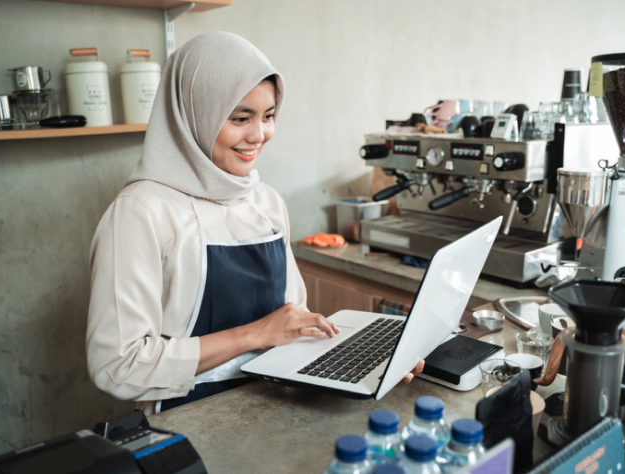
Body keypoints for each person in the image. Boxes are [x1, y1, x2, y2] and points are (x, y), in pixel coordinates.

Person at [86, 31, 423, 415]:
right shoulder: (141, 211)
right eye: (240, 118)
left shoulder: (266, 203)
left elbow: (291, 323)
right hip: (189, 419)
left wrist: (366, 362)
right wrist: (253, 335)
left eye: (269, 116)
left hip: (278, 403)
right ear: (195, 114)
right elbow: (116, 366)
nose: (258, 135)